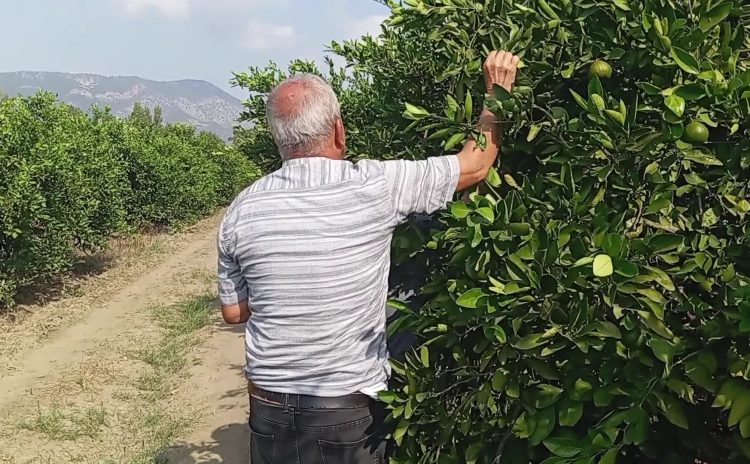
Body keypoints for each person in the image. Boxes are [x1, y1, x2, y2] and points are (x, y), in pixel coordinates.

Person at [217, 50, 520, 464]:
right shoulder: (375, 185)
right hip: (344, 407)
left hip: (269, 404)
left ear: (279, 139)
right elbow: (476, 164)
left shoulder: (243, 207)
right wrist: (497, 92)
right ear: (339, 131)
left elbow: (234, 312)